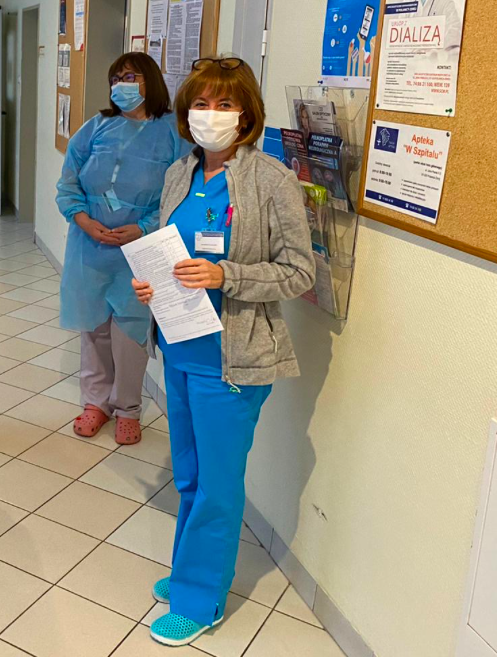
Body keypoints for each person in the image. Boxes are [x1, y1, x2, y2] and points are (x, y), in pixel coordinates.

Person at [131, 57, 314, 646]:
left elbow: (299, 272)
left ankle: (201, 599)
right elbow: (170, 248)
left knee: (217, 484)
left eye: (225, 104)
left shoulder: (272, 181)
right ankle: (193, 568)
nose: (211, 115)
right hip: (180, 349)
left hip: (234, 361)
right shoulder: (179, 173)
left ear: (246, 115)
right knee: (189, 475)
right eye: (201, 104)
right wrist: (151, 285)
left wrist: (225, 275)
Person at [56, 52, 188, 446]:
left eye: (130, 77)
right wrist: (83, 220)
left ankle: (128, 408)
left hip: (142, 249)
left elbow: (179, 194)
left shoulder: (173, 134)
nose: (121, 85)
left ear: (150, 81)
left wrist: (144, 227)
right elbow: (68, 183)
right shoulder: (96, 128)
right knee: (94, 328)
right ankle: (95, 403)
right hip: (90, 246)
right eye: (116, 78)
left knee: (131, 332)